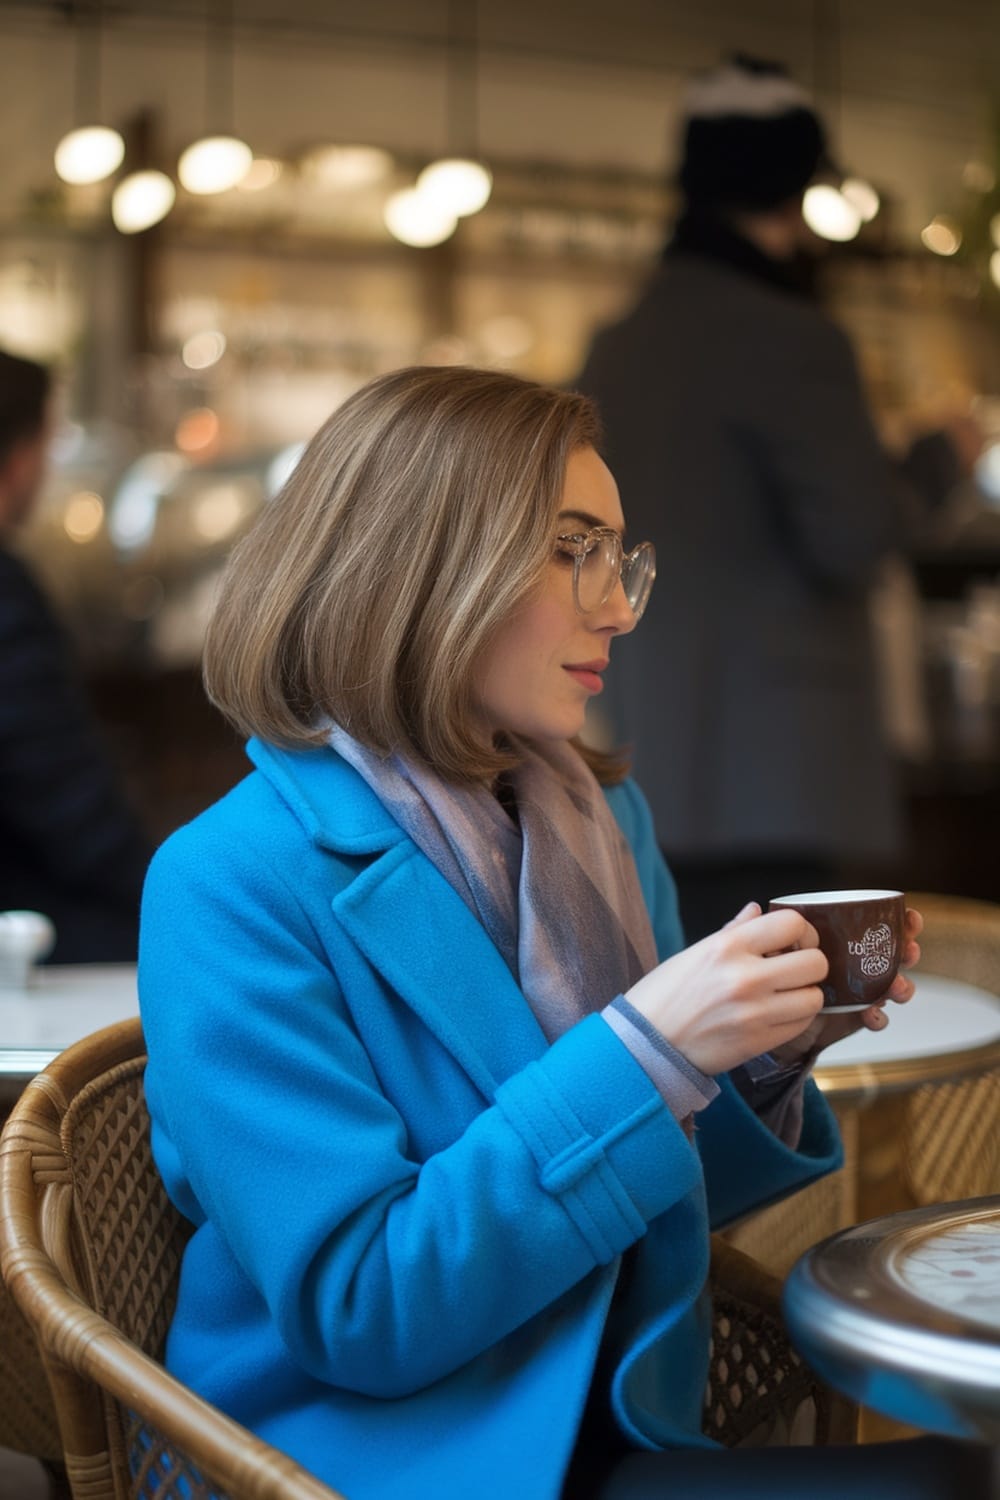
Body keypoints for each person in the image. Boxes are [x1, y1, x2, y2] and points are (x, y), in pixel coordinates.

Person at [139, 365, 985, 1500]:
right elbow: (362, 1309)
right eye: (570, 550)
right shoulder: (228, 881)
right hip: (371, 1464)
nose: (620, 606)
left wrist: (753, 1061)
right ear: (417, 565)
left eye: (621, 557)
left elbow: (648, 1210)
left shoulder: (594, 816)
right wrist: (653, 1053)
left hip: (616, 1423)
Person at [575, 55, 980, 942]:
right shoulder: (795, 337)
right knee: (787, 1037)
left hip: (642, 752)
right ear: (796, 183)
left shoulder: (619, 341)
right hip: (778, 764)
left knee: (686, 1021)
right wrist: (932, 461)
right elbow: (854, 536)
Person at [0, 347, 152, 962]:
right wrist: (175, 894)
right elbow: (66, 801)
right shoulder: (3, 592)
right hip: (29, 936)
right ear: (23, 451)